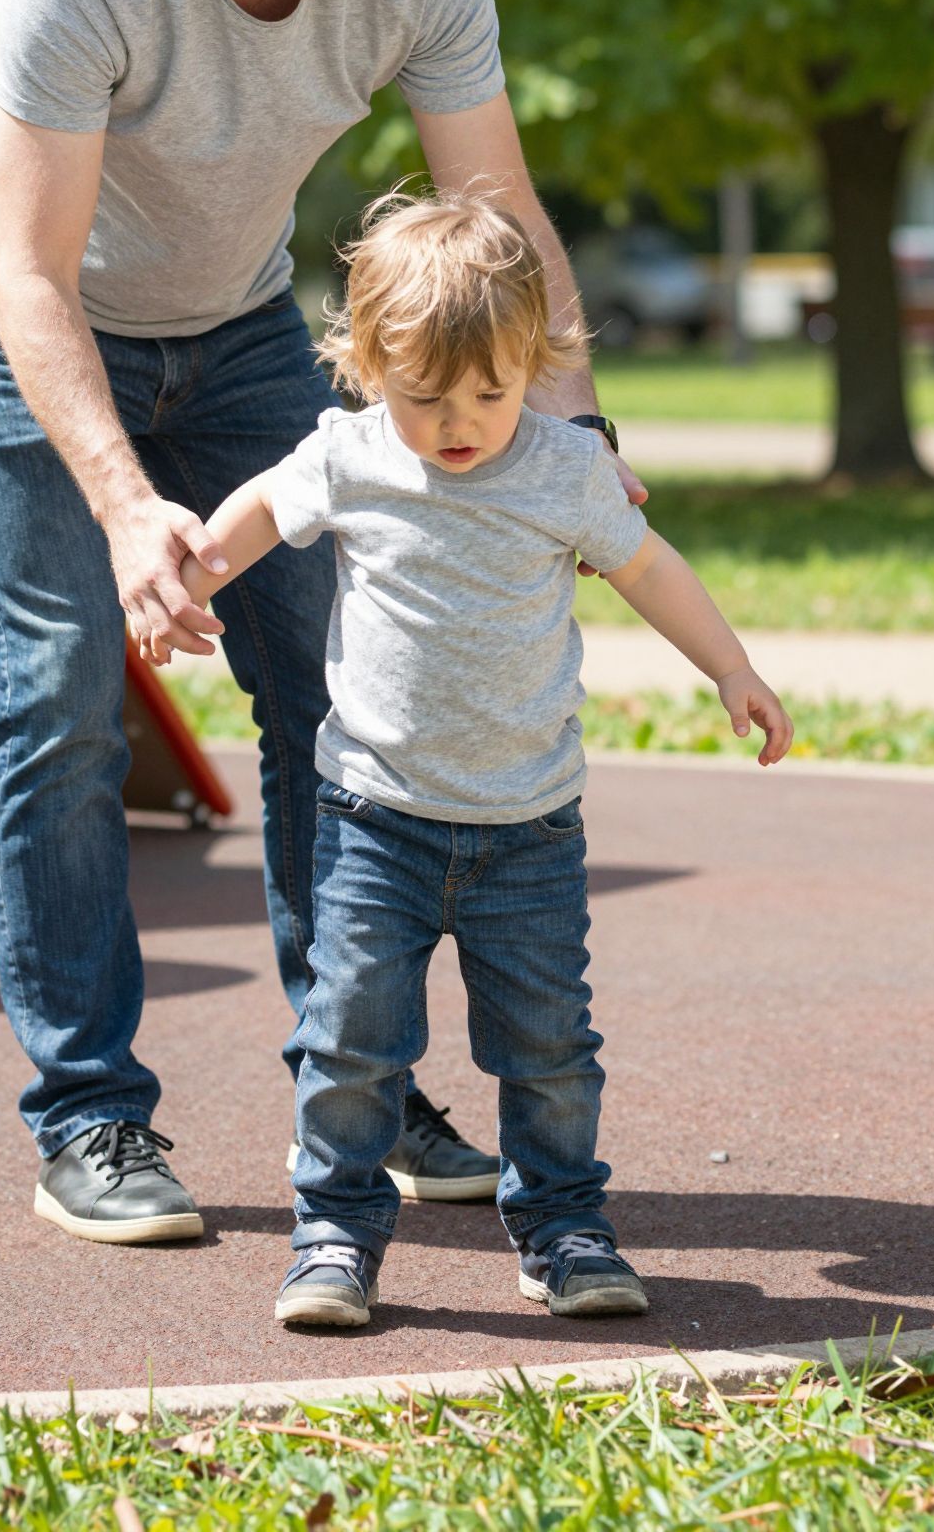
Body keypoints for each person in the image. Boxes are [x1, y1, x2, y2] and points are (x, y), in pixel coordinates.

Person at [0, 0, 646, 1242]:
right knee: (56, 691)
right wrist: (125, 511)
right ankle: (92, 1120)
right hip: (11, 308)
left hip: (238, 316)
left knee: (333, 682)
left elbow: (500, 206)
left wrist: (578, 428)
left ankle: (358, 1084)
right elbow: (33, 276)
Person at [177, 192, 794, 1325]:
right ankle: (333, 1236)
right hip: (376, 818)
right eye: (425, 396)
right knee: (352, 1036)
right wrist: (196, 571)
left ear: (534, 364)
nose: (460, 420)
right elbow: (263, 507)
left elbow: (651, 568)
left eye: (491, 392)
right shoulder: (353, 454)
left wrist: (730, 664)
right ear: (367, 367)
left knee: (550, 1045)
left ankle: (563, 1228)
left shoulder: (563, 467)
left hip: (530, 828)